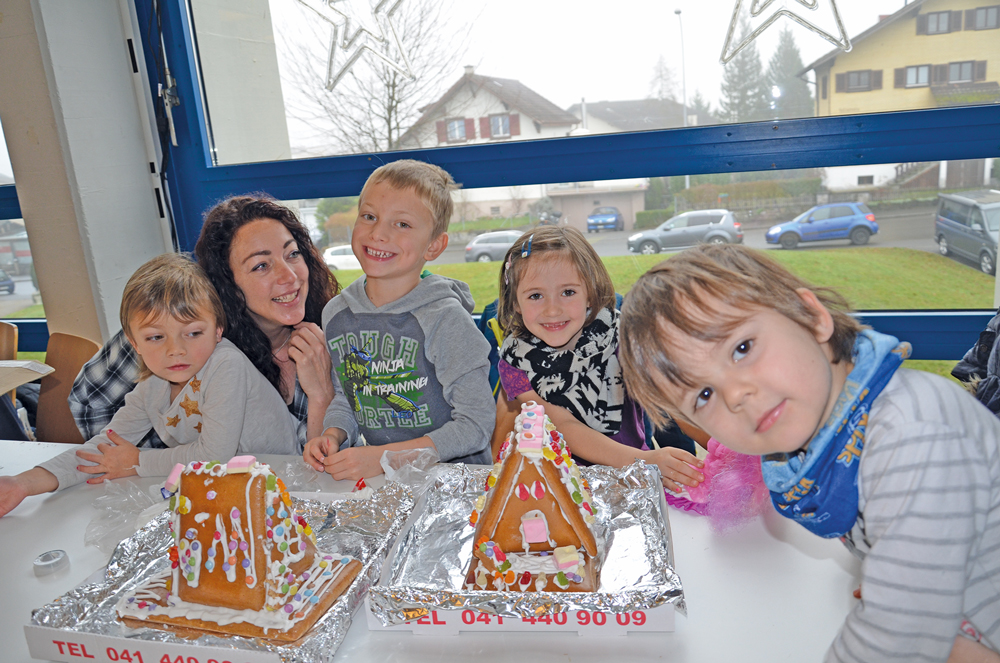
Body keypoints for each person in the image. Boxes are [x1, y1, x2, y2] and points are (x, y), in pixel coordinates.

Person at [618, 244, 1000, 663]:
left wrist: (902, 605)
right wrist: (898, 572)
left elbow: (898, 639)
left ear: (813, 318)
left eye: (742, 348)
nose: (736, 394)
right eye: (704, 394)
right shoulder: (830, 431)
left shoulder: (914, 435)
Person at [0, 254, 298, 517]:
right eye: (156, 337)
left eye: (193, 333)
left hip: (289, 489)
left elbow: (213, 458)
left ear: (218, 330)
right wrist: (23, 484)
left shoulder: (226, 365)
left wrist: (137, 462)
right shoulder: (151, 387)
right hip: (231, 494)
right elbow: (101, 451)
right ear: (135, 344)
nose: (175, 350)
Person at [68, 195, 339, 449]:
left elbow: (320, 465)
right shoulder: (184, 330)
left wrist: (322, 396)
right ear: (227, 284)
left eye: (293, 254)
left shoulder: (333, 335)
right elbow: (90, 398)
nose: (290, 275)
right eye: (261, 266)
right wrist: (160, 461)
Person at [303, 159, 493, 480]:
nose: (378, 233)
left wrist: (385, 458)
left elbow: (476, 424)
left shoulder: (445, 318)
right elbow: (349, 397)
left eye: (402, 224)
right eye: (369, 216)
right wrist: (333, 435)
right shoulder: (336, 315)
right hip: (387, 484)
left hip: (455, 484)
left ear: (433, 246)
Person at [493, 225, 704, 494]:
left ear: (590, 292)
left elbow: (674, 402)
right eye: (536, 295)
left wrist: (728, 447)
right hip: (560, 490)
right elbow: (564, 425)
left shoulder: (624, 337)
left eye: (568, 292)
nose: (553, 309)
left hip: (633, 481)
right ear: (515, 304)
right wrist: (647, 460)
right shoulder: (513, 364)